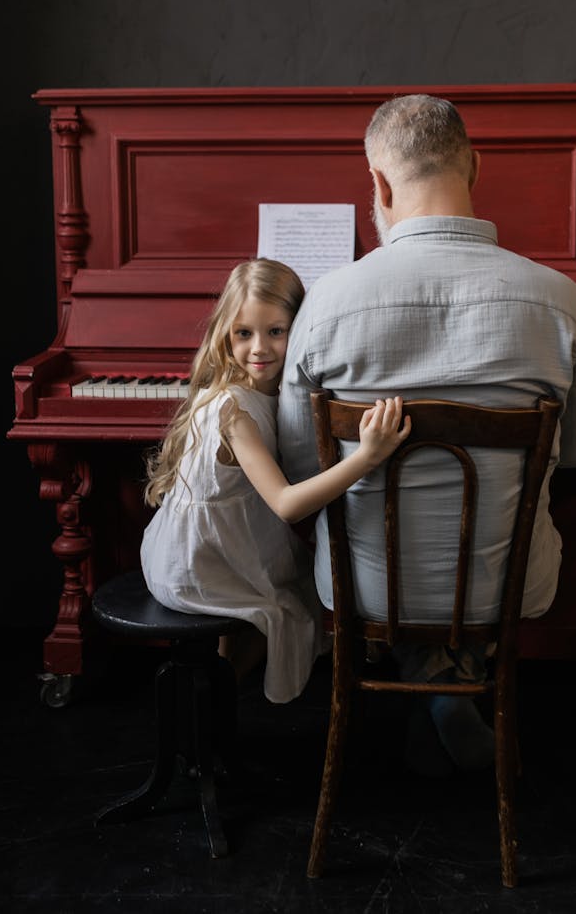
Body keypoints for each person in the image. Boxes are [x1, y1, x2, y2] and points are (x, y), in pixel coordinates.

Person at [277, 94, 576, 773]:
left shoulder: (325, 303)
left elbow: (298, 462)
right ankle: (451, 674)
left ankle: (428, 671)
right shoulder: (563, 300)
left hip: (362, 590)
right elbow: (575, 451)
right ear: (475, 168)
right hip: (506, 589)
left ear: (378, 183)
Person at [140, 258, 411, 705]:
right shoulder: (234, 409)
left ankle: (215, 702)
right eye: (243, 333)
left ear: (299, 331)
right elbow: (286, 505)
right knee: (294, 602)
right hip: (198, 563)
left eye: (276, 332)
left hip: (221, 545)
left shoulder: (266, 394)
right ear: (225, 334)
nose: (259, 348)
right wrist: (368, 456)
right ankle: (207, 706)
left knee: (300, 582)